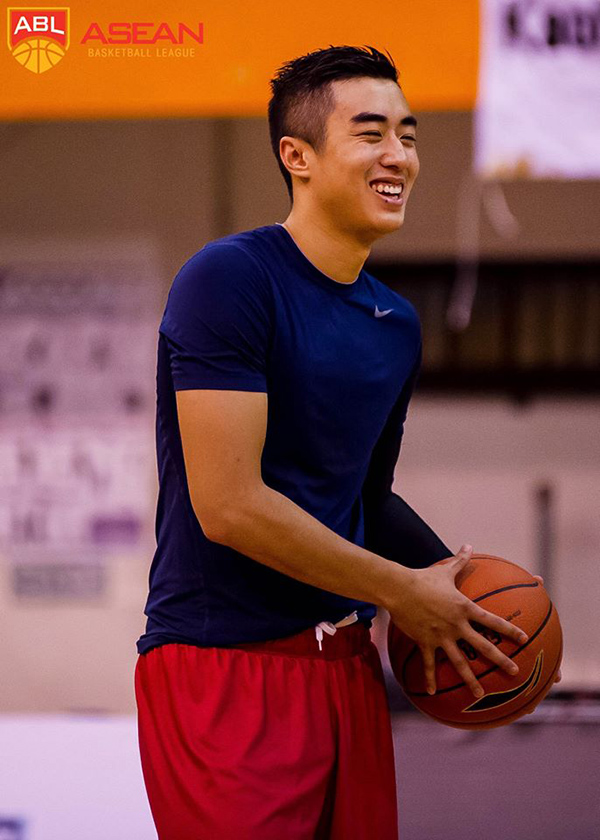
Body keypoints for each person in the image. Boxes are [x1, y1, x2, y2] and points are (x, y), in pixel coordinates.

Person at [134, 45, 557, 840]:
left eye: (408, 135)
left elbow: (364, 495)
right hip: (224, 666)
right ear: (297, 156)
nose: (399, 155)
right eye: (371, 134)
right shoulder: (228, 280)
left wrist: (466, 606)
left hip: (348, 667)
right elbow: (228, 506)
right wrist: (404, 591)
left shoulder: (394, 323)